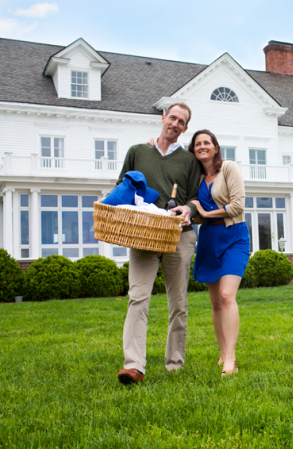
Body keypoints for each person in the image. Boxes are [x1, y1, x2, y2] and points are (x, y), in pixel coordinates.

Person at [147, 129, 249, 376]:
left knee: (226, 296)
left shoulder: (228, 169)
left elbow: (237, 206)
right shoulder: (196, 177)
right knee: (215, 303)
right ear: (193, 149)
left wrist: (203, 212)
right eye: (197, 144)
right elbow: (169, 159)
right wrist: (151, 144)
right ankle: (223, 353)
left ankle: (231, 359)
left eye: (207, 142)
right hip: (208, 240)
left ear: (215, 146)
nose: (202, 146)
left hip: (234, 236)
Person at [116, 103, 201, 385]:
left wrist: (189, 208)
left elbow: (196, 198)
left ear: (185, 129)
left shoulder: (189, 162)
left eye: (182, 122)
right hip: (143, 235)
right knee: (137, 297)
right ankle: (134, 366)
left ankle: (174, 363)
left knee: (178, 302)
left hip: (179, 236)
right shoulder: (138, 152)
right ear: (163, 118)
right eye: (172, 117)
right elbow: (122, 190)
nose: (175, 123)